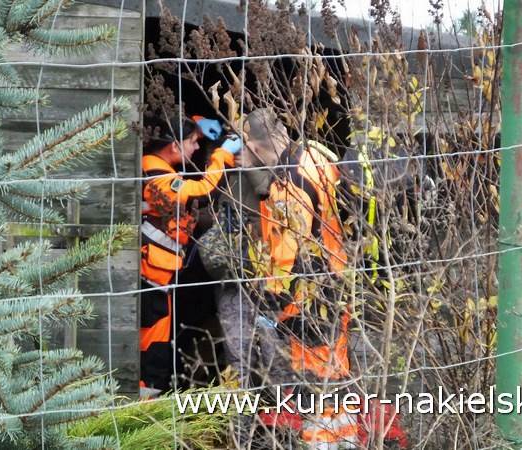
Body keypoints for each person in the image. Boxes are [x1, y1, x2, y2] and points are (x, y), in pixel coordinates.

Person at [199, 109, 408, 448]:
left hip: (307, 302)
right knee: (337, 374)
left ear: (251, 144)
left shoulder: (288, 187)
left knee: (317, 384)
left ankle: (323, 443)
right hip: (335, 283)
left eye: (243, 148)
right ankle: (343, 439)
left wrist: (271, 308)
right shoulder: (314, 154)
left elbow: (284, 260)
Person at [139, 115, 241, 397]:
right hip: (151, 280)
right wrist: (222, 154)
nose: (196, 148)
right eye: (192, 142)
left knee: (157, 346)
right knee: (153, 351)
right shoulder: (156, 176)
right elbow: (200, 191)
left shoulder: (158, 169)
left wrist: (205, 129)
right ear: (174, 145)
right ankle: (145, 407)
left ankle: (150, 396)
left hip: (159, 278)